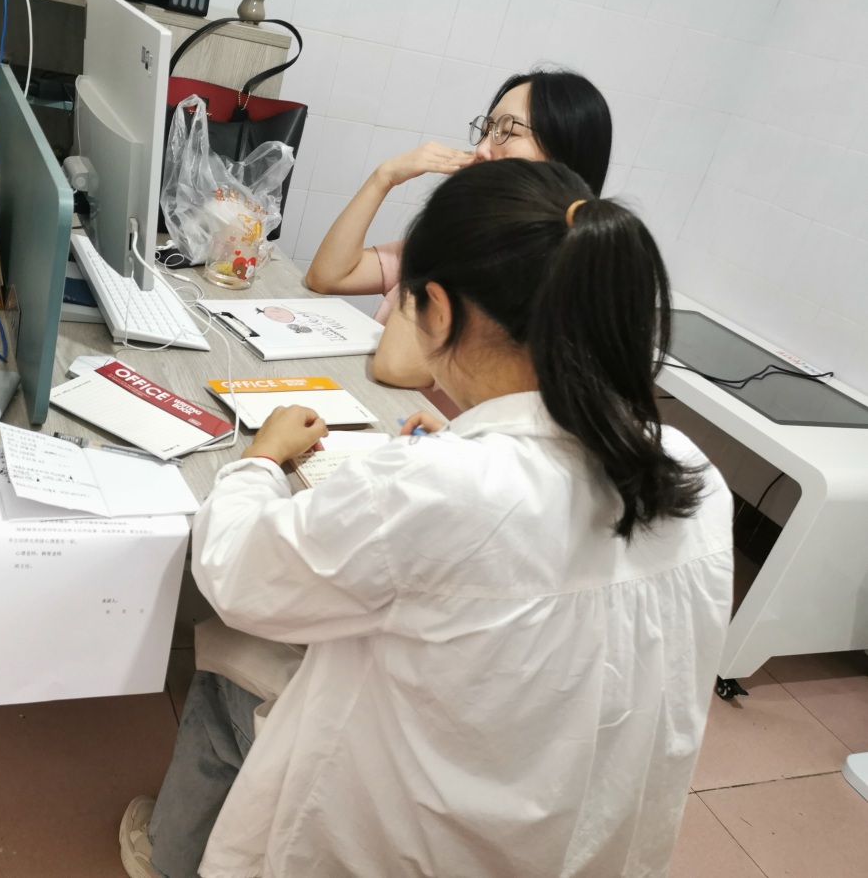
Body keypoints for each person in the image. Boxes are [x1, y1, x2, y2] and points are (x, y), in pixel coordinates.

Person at [119, 158, 734, 878]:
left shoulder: (437, 490)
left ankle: (166, 856)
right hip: (582, 830)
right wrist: (467, 452)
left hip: (409, 843)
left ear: (436, 310)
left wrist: (259, 460)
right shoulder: (692, 471)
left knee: (231, 653)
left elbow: (239, 575)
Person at [305, 69, 612, 418]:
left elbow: (397, 365)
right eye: (486, 129)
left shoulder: (535, 270)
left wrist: (453, 220)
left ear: (563, 156)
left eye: (508, 131)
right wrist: (383, 177)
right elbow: (328, 276)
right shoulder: (464, 237)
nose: (481, 149)